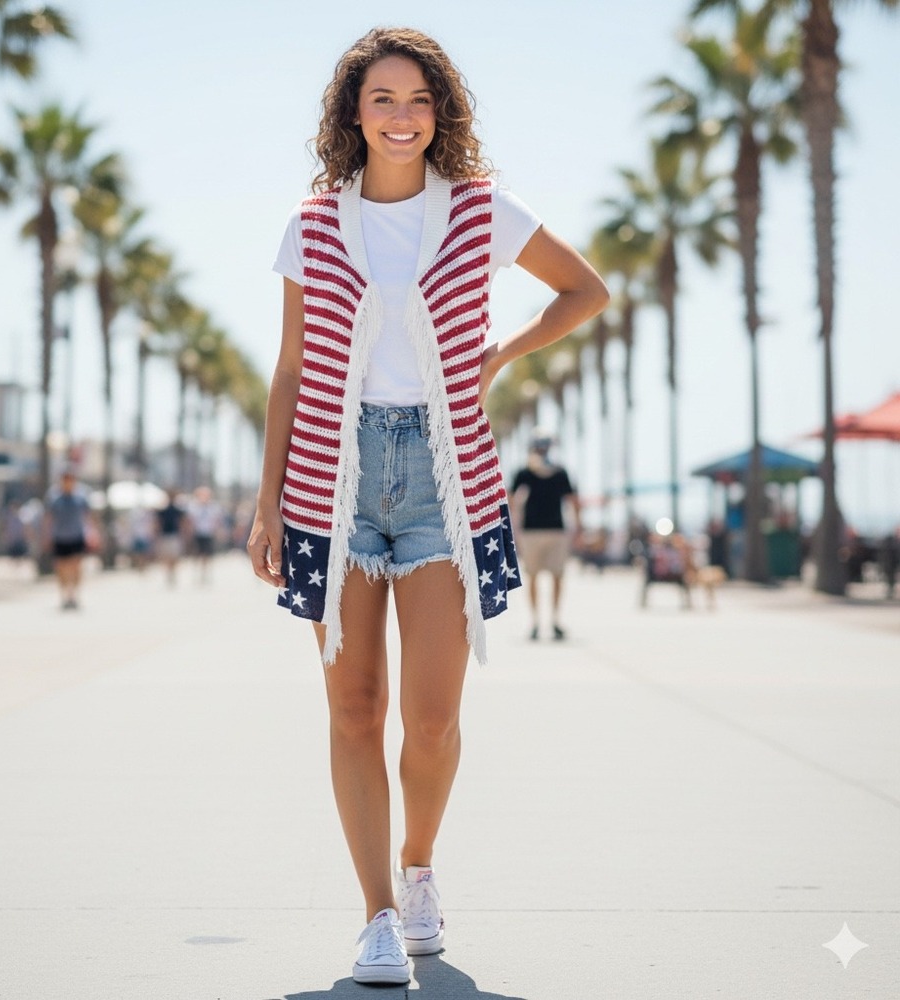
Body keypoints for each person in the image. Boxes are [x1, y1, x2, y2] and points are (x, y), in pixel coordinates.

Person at [247, 27, 608, 986]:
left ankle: (418, 871)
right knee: (354, 705)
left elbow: (585, 291)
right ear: (352, 116)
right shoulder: (314, 224)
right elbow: (288, 370)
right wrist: (268, 501)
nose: (401, 117)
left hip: (448, 476)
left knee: (434, 721)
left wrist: (500, 353)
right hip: (336, 474)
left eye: (417, 99)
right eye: (381, 100)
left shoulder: (484, 211)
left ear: (439, 111)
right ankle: (372, 916)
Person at [510, 430, 582, 640]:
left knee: (547, 576)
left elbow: (512, 500)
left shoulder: (530, 472)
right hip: (547, 531)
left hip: (539, 531)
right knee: (546, 576)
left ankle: (548, 621)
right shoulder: (549, 472)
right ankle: (543, 621)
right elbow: (573, 501)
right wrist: (578, 527)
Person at [43, 469, 93, 610]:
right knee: (61, 568)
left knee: (76, 567)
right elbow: (48, 519)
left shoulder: (81, 497)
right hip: (59, 537)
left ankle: (74, 595)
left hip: (77, 536)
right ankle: (64, 595)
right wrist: (47, 536)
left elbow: (87, 517)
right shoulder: (54, 497)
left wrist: (92, 533)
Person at [187, 485, 225, 583]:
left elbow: (217, 521)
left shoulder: (214, 506)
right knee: (197, 554)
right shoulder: (193, 506)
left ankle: (205, 574)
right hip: (197, 533)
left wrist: (218, 531)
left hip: (208, 533)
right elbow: (190, 520)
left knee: (207, 554)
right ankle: (197, 573)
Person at [154, 488, 189, 586]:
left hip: (175, 534)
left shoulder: (178, 510)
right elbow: (158, 523)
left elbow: (183, 522)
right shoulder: (162, 510)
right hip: (165, 534)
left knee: (174, 556)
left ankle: (172, 573)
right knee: (166, 556)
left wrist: (184, 533)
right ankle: (169, 573)